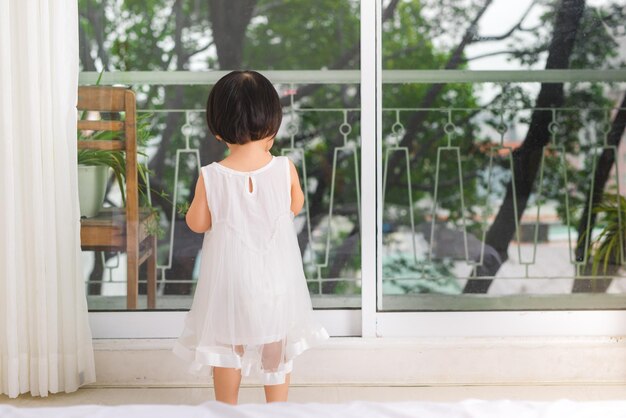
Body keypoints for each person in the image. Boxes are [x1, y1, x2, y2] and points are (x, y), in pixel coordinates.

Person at [172, 70, 329, 405]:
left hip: (230, 283)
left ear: (217, 129)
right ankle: (277, 409)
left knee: (228, 346)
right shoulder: (285, 168)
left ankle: (225, 409)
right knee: (276, 348)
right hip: (276, 282)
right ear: (273, 122)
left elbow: (197, 223)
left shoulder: (211, 176)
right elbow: (296, 204)